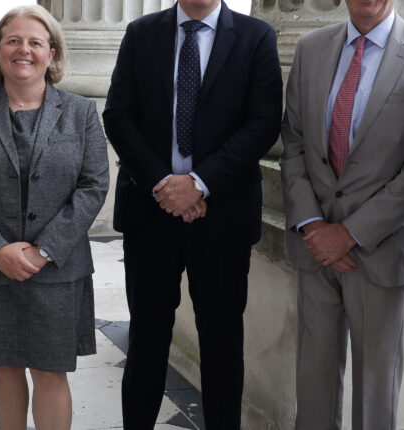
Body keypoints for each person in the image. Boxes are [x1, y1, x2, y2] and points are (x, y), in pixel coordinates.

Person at [103, 0, 281, 428]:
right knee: (146, 340)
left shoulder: (257, 37)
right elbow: (118, 114)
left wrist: (199, 183)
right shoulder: (141, 32)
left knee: (221, 345)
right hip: (151, 211)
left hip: (222, 215)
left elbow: (263, 123)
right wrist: (164, 184)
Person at [279, 0, 404, 428]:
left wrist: (351, 232)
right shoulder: (310, 47)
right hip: (314, 246)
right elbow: (294, 142)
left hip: (381, 247)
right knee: (313, 381)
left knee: (376, 387)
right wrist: (315, 225)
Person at [0, 5, 110, 430]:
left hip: (58, 267)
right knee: (5, 366)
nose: (24, 50)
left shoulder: (81, 112)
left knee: (51, 371)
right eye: (13, 40)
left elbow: (93, 185)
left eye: (36, 42)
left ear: (52, 53)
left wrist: (45, 249)